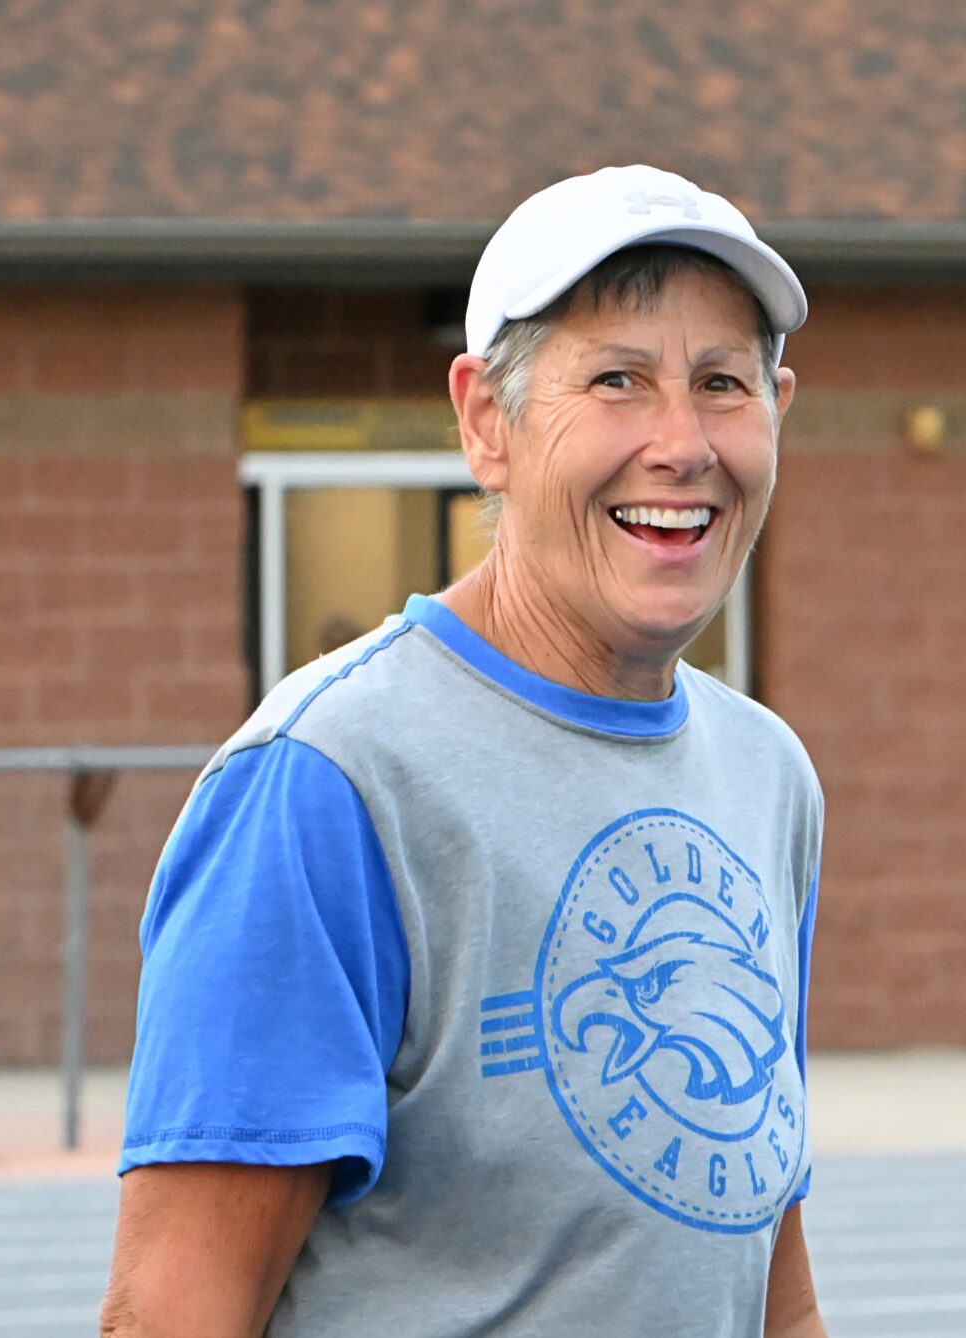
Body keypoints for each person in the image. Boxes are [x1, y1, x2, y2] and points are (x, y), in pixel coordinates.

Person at [100, 165, 829, 1337]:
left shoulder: (768, 777)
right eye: (616, 381)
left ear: (777, 408)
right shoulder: (326, 780)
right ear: (487, 421)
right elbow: (177, 1311)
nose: (683, 445)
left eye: (722, 383)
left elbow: (767, 1271)